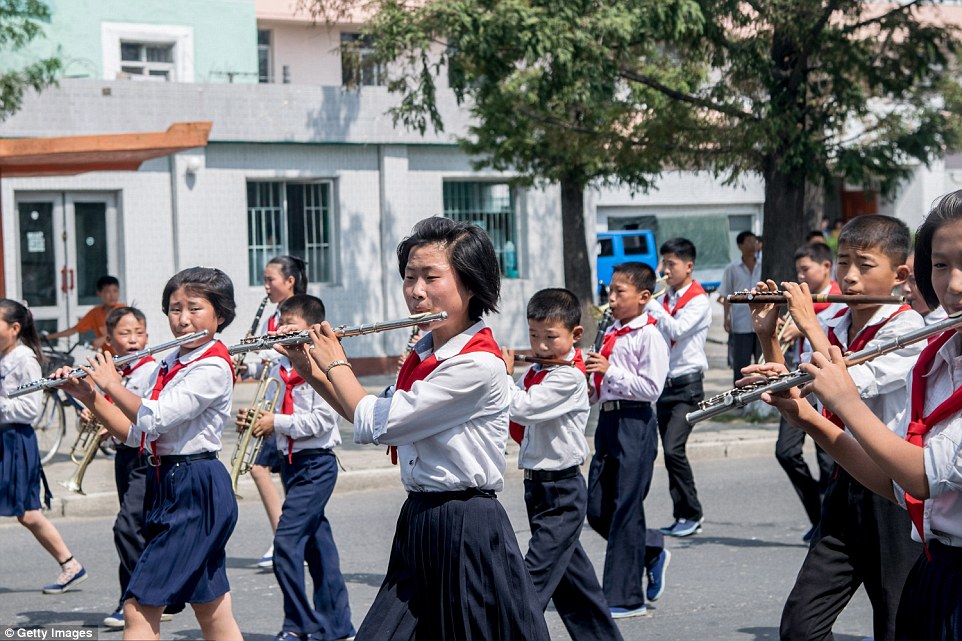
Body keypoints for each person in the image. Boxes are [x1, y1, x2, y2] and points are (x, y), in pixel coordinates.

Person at [280, 217, 549, 640]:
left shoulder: (476, 365)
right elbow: (365, 413)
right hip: (420, 521)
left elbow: (377, 423)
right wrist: (309, 369)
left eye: (431, 277)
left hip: (466, 527)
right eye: (409, 277)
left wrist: (335, 360)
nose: (416, 292)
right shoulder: (425, 355)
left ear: (471, 284)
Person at [756, 189, 962, 641]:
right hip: (859, 476)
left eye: (863, 266)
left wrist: (809, 324)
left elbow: (849, 388)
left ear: (900, 275)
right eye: (942, 266)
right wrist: (770, 338)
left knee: (890, 622)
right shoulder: (938, 351)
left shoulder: (908, 329)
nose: (848, 278)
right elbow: (805, 385)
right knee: (799, 628)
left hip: (900, 495)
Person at [55, 267, 241, 641]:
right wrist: (89, 394)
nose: (183, 319)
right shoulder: (171, 360)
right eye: (174, 309)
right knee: (211, 607)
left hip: (195, 484)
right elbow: (133, 433)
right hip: (169, 480)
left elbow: (154, 417)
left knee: (138, 606)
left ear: (219, 316)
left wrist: (110, 383)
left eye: (194, 309)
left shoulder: (212, 365)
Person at [500, 288, 624, 641]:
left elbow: (522, 407)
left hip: (562, 490)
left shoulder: (568, 377)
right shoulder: (539, 371)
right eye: (533, 336)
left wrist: (503, 377)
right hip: (537, 486)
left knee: (531, 578)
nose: (539, 346)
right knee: (575, 586)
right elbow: (517, 424)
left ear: (575, 335)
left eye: (550, 337)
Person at [236, 294, 354, 641]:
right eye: (281, 325)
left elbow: (321, 421)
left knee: (286, 544)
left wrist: (277, 422)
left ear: (313, 330)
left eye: (292, 326)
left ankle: (299, 624)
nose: (283, 332)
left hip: (317, 464)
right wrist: (257, 420)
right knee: (320, 549)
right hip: (291, 464)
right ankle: (338, 627)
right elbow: (272, 410)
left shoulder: (321, 365)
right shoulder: (278, 366)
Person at [585, 261, 670, 619]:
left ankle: (626, 598)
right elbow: (596, 385)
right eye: (611, 291)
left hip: (635, 422)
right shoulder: (610, 332)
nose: (612, 298)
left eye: (620, 292)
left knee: (625, 509)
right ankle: (651, 547)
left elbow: (652, 388)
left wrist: (610, 371)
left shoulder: (648, 334)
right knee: (598, 508)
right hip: (607, 421)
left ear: (644, 297)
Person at [0, 300, 88, 594]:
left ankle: (70, 564)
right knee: (26, 513)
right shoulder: (4, 354)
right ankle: (70, 564)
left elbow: (29, 410)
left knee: (27, 512)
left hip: (16, 441)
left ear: (14, 328)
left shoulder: (25, 360)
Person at [95, 306, 173, 629]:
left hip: (144, 456)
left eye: (139, 333)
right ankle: (129, 597)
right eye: (125, 334)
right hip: (123, 457)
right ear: (109, 339)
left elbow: (144, 414)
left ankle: (149, 594)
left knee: (127, 527)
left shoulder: (149, 370)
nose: (133, 340)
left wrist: (113, 418)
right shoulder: (117, 370)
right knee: (136, 527)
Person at [770, 243, 841, 540]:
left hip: (827, 383)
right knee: (785, 451)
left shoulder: (839, 301)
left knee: (829, 459)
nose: (800, 275)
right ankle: (819, 513)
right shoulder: (801, 302)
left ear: (826, 267)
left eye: (806, 269)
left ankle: (830, 525)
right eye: (797, 270)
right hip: (798, 381)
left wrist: (806, 326)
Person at [644, 238, 711, 538]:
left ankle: (693, 513)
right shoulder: (665, 299)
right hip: (665, 386)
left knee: (673, 449)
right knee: (669, 453)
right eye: (664, 263)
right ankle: (681, 514)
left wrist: (651, 306)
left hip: (688, 386)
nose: (665, 270)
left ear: (688, 266)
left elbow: (678, 330)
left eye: (671, 264)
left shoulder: (698, 300)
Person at [247, 255, 308, 570]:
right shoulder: (275, 316)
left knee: (260, 468)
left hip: (291, 406)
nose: (266, 286)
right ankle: (290, 538)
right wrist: (248, 359)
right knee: (278, 473)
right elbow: (270, 359)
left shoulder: (299, 314)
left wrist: (258, 353)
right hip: (274, 402)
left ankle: (284, 539)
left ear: (290, 281)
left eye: (270, 279)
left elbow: (286, 354)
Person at [717, 231, 762, 386]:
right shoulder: (732, 268)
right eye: (748, 241)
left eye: (754, 241)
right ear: (740, 246)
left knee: (762, 361)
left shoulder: (764, 265)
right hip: (741, 322)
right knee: (741, 363)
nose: (752, 245)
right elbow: (726, 295)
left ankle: (762, 397)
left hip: (762, 322)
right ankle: (740, 395)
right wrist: (726, 318)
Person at [45, 275, 124, 352]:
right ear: (99, 293)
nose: (112, 295)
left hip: (125, 356)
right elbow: (74, 330)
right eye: (107, 291)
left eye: (115, 291)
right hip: (109, 358)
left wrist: (103, 339)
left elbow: (124, 331)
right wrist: (48, 337)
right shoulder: (95, 313)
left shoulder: (123, 310)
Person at [904, 251, 948, 325]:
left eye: (913, 280)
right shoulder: (903, 324)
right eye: (902, 282)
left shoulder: (953, 327)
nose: (906, 288)